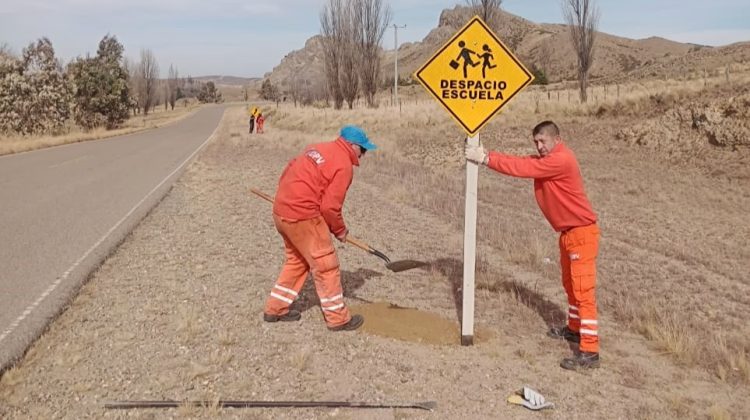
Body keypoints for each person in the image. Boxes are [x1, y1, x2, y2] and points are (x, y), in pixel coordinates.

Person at [465, 121, 601, 370]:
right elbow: (523, 160)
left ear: (556, 139)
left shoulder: (561, 159)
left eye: (543, 141)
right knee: (570, 286)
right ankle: (574, 329)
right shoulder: (550, 159)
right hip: (568, 233)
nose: (539, 146)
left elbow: (523, 167)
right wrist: (489, 154)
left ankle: (590, 351)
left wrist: (485, 159)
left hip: (581, 233)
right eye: (536, 142)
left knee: (583, 292)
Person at [263, 125, 377, 331]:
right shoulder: (343, 165)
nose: (364, 154)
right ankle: (338, 319)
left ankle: (275, 308)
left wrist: (286, 200)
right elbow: (330, 207)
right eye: (363, 149)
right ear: (352, 145)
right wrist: (340, 230)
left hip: (281, 211)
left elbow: (289, 169)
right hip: (303, 216)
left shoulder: (317, 148)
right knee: (326, 265)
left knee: (297, 261)